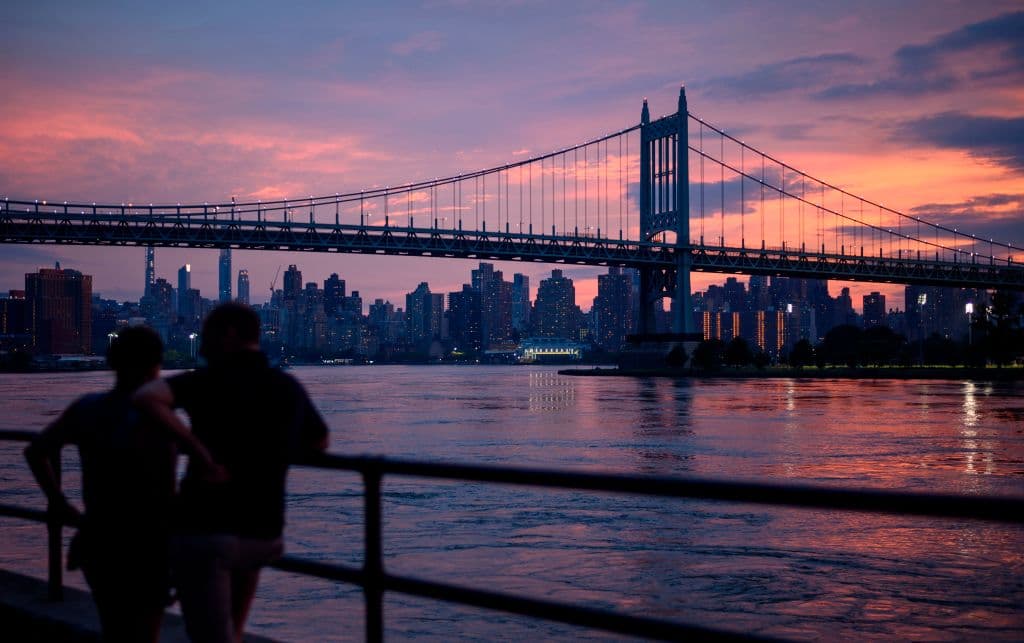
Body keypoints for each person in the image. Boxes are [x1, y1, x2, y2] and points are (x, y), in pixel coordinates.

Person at [134, 303, 329, 643]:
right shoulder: (286, 385)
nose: (202, 341)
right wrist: (272, 452)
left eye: (206, 332)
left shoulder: (206, 381)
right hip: (263, 530)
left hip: (208, 527)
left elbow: (146, 397)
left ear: (228, 334)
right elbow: (320, 441)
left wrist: (195, 448)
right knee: (231, 634)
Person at [24, 325, 221, 643]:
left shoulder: (86, 408)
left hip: (100, 536)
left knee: (114, 626)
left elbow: (36, 451)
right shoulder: (161, 417)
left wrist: (58, 502)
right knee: (146, 630)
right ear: (156, 365)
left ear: (111, 361)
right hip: (151, 541)